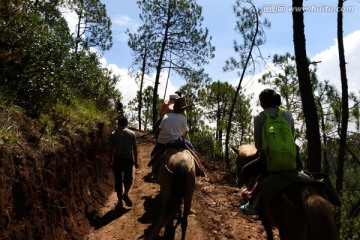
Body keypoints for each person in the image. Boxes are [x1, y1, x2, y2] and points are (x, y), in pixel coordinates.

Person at [240, 89, 295, 215]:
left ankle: (252, 202)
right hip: (291, 159)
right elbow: (292, 136)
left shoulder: (259, 118)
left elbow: (259, 146)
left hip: (269, 161)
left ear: (263, 102)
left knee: (246, 171)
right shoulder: (287, 114)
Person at [108, 116, 139, 210]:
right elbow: (134, 149)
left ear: (118, 124)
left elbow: (111, 149)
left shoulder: (113, 134)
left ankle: (120, 202)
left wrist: (110, 161)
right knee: (128, 178)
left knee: (118, 180)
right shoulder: (132, 133)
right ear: (126, 123)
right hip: (128, 159)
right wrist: (136, 161)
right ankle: (125, 193)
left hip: (117, 159)